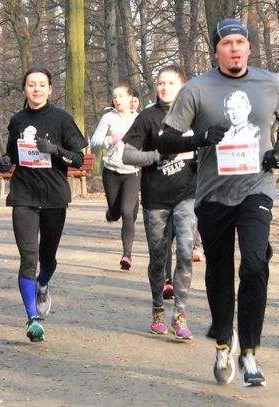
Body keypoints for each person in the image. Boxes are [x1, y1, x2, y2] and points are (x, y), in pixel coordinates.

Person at [156, 18, 279, 387]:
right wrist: (199, 139)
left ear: (249, 48)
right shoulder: (198, 90)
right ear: (216, 50)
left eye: (240, 42)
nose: (235, 49)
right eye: (227, 43)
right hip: (213, 194)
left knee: (253, 264)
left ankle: (249, 352)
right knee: (219, 272)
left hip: (256, 189)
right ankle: (223, 343)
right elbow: (165, 142)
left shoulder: (269, 83)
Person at [0, 67, 87, 342]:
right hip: (23, 195)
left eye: (41, 85)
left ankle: (44, 283)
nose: (36, 89)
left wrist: (56, 151)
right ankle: (32, 318)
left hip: (53, 198)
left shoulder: (62, 119)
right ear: (24, 90)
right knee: (28, 258)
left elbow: (79, 159)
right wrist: (5, 162)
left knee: (47, 259)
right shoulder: (17, 120)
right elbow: (11, 155)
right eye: (31, 85)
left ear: (50, 89)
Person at [122, 65, 197, 340]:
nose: (164, 87)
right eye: (160, 83)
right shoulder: (147, 117)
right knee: (158, 257)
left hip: (187, 195)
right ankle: (157, 308)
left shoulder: (194, 115)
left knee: (186, 252)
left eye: (170, 83)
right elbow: (128, 156)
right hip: (155, 199)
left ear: (182, 87)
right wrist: (157, 155)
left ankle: (179, 314)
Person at [90, 84, 139, 270]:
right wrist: (111, 139)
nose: (117, 99)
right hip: (111, 171)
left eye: (120, 96)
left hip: (131, 172)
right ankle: (112, 212)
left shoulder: (139, 119)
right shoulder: (108, 118)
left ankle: (127, 256)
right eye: (114, 96)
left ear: (129, 98)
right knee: (116, 212)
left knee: (128, 213)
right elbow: (94, 142)